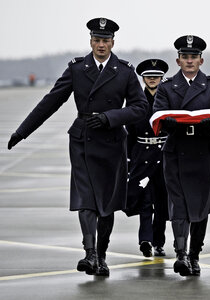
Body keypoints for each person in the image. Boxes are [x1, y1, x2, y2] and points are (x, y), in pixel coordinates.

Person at [7, 17, 148, 277]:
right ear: (91, 41)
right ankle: (90, 253)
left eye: (106, 40)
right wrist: (22, 131)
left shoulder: (126, 71)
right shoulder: (77, 68)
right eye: (97, 40)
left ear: (113, 42)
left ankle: (102, 256)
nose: (101, 45)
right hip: (83, 140)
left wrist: (109, 117)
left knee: (106, 205)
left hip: (112, 142)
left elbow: (140, 107)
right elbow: (51, 101)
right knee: (86, 200)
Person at [152, 35, 210, 276]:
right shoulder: (166, 87)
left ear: (201, 60)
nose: (189, 61)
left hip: (204, 152)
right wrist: (173, 124)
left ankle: (195, 253)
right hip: (176, 151)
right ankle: (181, 254)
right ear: (178, 60)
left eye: (193, 57)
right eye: (185, 57)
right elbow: (157, 116)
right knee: (179, 205)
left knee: (201, 207)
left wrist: (207, 123)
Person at [125, 59, 169, 257]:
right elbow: (129, 133)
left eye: (156, 76)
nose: (152, 79)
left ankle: (158, 241)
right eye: (148, 76)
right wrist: (128, 159)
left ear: (162, 78)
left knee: (161, 201)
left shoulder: (168, 100)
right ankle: (145, 240)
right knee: (144, 199)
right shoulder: (135, 101)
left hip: (163, 155)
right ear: (143, 78)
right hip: (141, 155)